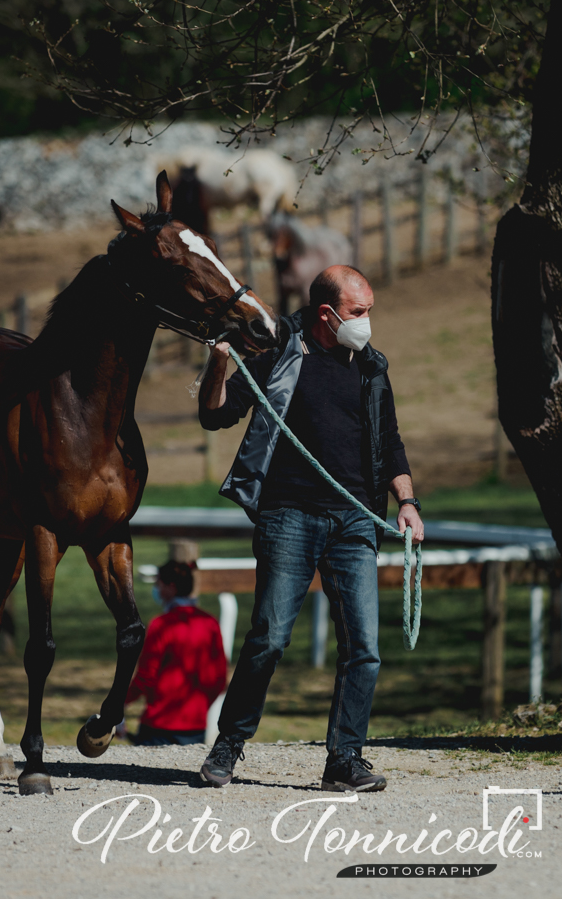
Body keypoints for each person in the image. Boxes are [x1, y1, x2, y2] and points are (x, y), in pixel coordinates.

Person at [195, 265, 424, 791]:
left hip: (355, 522)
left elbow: (390, 441)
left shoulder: (371, 367)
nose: (367, 324)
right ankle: (229, 744)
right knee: (270, 638)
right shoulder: (279, 355)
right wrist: (217, 364)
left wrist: (406, 501)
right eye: (358, 313)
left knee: (364, 647)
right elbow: (215, 416)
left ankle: (344, 760)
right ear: (327, 314)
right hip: (289, 516)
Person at [123, 559, 228, 746]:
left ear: (171, 587)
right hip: (195, 726)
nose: (156, 589)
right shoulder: (210, 623)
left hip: (157, 725)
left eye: (158, 584)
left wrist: (122, 702)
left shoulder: (162, 624)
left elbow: (146, 675)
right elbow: (219, 677)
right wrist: (200, 706)